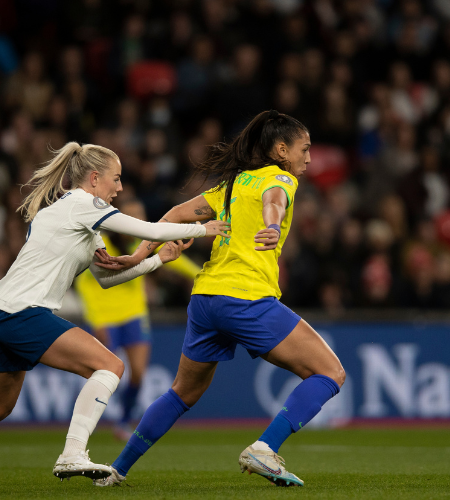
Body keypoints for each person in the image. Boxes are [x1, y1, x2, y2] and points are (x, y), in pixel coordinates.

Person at [0, 142, 229, 488]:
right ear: (95, 178)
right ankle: (72, 453)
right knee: (110, 366)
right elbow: (151, 230)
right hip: (23, 311)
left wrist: (159, 260)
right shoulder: (85, 205)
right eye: (116, 178)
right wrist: (204, 229)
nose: (120, 187)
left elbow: (108, 278)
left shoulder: (73, 215)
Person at [94, 110, 345, 488]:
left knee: (183, 391)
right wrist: (273, 225)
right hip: (245, 298)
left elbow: (176, 214)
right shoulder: (281, 177)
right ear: (281, 150)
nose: (308, 158)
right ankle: (265, 447)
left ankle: (117, 470)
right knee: (330, 372)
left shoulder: (233, 184)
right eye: (304, 149)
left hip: (206, 297)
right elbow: (274, 200)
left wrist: (138, 254)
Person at [74, 197, 200, 441]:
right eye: (132, 217)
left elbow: (175, 258)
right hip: (105, 317)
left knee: (139, 374)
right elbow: (84, 284)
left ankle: (122, 422)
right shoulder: (100, 245)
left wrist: (199, 274)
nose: (138, 221)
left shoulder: (142, 243)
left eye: (140, 216)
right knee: (106, 373)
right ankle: (84, 422)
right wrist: (96, 318)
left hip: (134, 314)